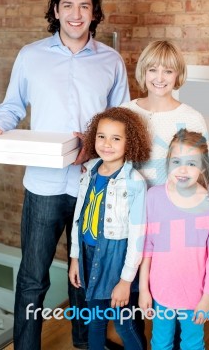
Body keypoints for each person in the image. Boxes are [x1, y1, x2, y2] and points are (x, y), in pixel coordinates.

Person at [0, 0, 130, 350]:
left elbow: (123, 119)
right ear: (55, 10)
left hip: (93, 185)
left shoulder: (111, 60)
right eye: (67, 5)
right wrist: (0, 128)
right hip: (44, 185)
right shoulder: (30, 55)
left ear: (95, 13)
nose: (76, 13)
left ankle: (85, 345)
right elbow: (12, 106)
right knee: (33, 278)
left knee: (85, 275)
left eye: (84, 5)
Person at [121, 40, 209, 349]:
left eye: (168, 70)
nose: (159, 77)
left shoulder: (192, 117)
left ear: (177, 74)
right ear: (143, 71)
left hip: (171, 216)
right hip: (134, 213)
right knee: (137, 291)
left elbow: (206, 167)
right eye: (153, 69)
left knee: (181, 311)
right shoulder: (128, 112)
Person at [69, 107, 150, 350]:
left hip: (116, 259)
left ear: (130, 142)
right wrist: (75, 257)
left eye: (116, 138)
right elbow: (78, 218)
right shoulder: (89, 172)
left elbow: (138, 234)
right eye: (101, 136)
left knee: (123, 323)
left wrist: (126, 280)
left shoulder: (135, 182)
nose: (107, 144)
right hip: (88, 254)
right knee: (94, 320)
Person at [139, 128, 209, 350]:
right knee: (160, 343)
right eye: (177, 161)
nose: (183, 169)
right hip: (160, 291)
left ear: (203, 167)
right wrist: (144, 289)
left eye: (192, 163)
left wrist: (208, 297)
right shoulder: (154, 197)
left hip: (195, 295)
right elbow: (147, 246)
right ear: (168, 162)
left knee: (193, 344)